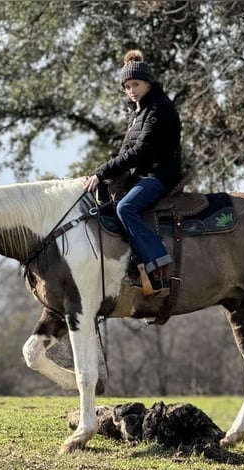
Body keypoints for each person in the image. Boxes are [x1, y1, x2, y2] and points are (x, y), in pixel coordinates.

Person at [83, 49, 182, 296]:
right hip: (143, 175)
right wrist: (102, 176)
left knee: (125, 207)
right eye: (127, 86)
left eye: (135, 84)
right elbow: (125, 150)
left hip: (161, 175)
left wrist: (102, 171)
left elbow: (141, 151)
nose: (131, 90)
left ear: (148, 83)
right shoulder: (138, 112)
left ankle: (158, 266)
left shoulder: (160, 108)